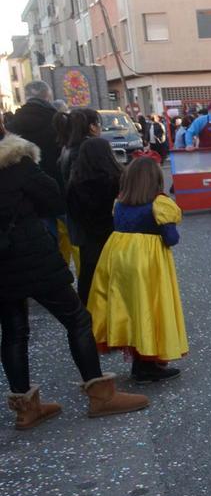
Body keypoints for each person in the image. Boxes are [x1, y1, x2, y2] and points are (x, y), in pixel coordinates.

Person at [0, 121, 148, 429]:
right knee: (77, 319)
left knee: (14, 331)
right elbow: (53, 199)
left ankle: (26, 408)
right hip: (30, 252)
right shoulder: (16, 162)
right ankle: (100, 395)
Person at [88, 158, 186, 383]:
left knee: (130, 307)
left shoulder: (120, 204)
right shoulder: (159, 204)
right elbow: (171, 238)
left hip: (117, 258)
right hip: (146, 261)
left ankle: (139, 362)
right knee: (149, 307)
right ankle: (146, 365)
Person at [66, 137, 123, 306]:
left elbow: (74, 212)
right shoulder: (117, 179)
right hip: (115, 237)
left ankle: (91, 315)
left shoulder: (75, 182)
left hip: (89, 238)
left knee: (89, 277)